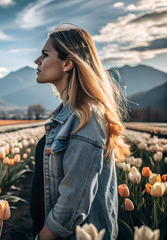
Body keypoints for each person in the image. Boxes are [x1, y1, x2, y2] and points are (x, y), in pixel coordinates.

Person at [30, 23, 130, 240]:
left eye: (45, 55)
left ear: (67, 63)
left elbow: (72, 204)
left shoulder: (86, 118)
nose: (37, 61)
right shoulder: (68, 116)